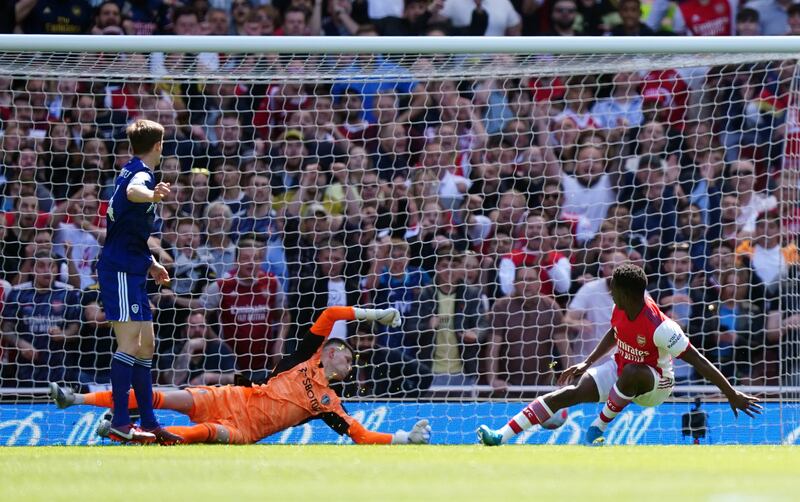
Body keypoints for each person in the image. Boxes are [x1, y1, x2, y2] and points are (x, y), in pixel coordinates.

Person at [50, 306, 432, 446]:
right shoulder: (303, 356)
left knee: (200, 434)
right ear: (333, 352)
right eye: (349, 360)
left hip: (242, 432)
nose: (350, 368)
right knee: (163, 396)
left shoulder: (329, 404)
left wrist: (405, 439)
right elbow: (331, 315)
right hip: (233, 398)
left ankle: (128, 435)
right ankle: (77, 398)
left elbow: (361, 436)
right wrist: (374, 314)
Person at [477, 263, 762, 446]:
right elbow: (615, 334)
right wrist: (586, 362)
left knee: (631, 372)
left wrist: (730, 393)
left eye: (614, 290)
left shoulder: (662, 327)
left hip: (656, 382)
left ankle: (596, 427)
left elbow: (699, 360)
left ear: (627, 294)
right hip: (621, 367)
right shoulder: (622, 306)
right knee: (569, 392)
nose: (610, 294)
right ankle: (500, 436)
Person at [95, 119, 180, 445]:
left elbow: (128, 231)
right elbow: (135, 193)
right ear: (158, 145)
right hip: (118, 271)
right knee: (130, 344)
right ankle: (119, 421)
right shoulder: (141, 175)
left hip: (132, 266)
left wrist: (152, 262)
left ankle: (149, 421)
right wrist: (152, 195)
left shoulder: (128, 169)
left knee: (146, 346)